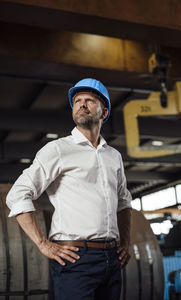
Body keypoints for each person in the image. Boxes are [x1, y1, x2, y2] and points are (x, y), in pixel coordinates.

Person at [6, 78, 132, 300]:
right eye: (77, 101)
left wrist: (126, 242)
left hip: (112, 259)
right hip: (76, 259)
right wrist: (44, 244)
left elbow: (123, 201)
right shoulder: (57, 149)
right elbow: (18, 194)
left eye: (90, 100)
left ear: (104, 112)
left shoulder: (114, 156)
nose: (82, 104)